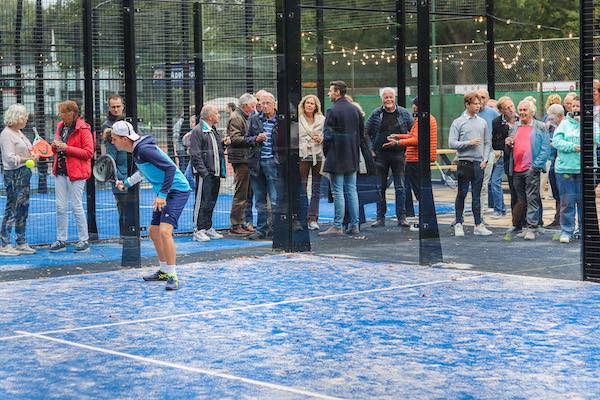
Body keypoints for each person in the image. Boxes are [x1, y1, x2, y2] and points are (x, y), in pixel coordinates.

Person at [112, 120, 191, 291]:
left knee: (164, 232)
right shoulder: (137, 150)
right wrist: (126, 182)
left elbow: (170, 168)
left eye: (114, 139)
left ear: (124, 139)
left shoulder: (144, 149)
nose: (112, 142)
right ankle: (163, 270)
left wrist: (162, 195)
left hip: (177, 191)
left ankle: (173, 275)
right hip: (165, 191)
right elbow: (144, 171)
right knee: (154, 232)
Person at [49, 100, 94, 253]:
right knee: (60, 206)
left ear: (72, 113)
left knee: (76, 205)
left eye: (64, 112)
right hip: (61, 171)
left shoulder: (83, 129)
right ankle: (61, 240)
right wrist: (54, 146)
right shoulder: (61, 126)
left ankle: (84, 240)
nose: (61, 115)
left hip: (77, 173)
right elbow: (56, 150)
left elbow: (89, 153)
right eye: (61, 112)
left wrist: (67, 148)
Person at [385, 97, 437, 226]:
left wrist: (397, 142)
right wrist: (399, 136)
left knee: (420, 192)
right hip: (417, 160)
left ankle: (425, 222)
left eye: (414, 105)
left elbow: (416, 140)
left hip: (417, 160)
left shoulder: (424, 120)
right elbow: (413, 136)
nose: (412, 107)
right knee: (420, 191)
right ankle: (425, 220)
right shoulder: (424, 119)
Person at [366, 87, 414, 227]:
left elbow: (413, 133)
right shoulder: (376, 114)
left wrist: (407, 149)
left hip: (399, 155)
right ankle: (380, 217)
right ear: (382, 99)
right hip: (380, 156)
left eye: (390, 97)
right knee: (380, 187)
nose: (388, 100)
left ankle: (402, 217)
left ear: (395, 98)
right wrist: (371, 150)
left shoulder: (404, 113)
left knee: (400, 187)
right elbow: (365, 132)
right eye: (386, 97)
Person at [319, 80, 363, 236]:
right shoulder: (355, 110)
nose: (329, 93)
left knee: (338, 192)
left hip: (336, 156)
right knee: (352, 190)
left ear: (337, 92)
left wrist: (327, 152)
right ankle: (354, 225)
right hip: (352, 155)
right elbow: (361, 135)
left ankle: (338, 225)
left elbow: (328, 136)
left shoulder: (332, 110)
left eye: (331, 91)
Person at [448, 92, 492, 237]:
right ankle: (459, 223)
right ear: (467, 104)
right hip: (464, 162)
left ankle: (478, 224)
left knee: (477, 195)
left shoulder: (482, 122)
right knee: (462, 193)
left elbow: (487, 142)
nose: (478, 106)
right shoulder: (458, 122)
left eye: (479, 103)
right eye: (475, 103)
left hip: (478, 163)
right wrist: (469, 143)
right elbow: (452, 143)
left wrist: (485, 159)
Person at [505, 99, 550, 241]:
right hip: (516, 169)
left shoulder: (541, 127)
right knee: (521, 199)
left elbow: (545, 149)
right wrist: (508, 143)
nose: (522, 113)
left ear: (532, 112)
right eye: (521, 110)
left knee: (532, 198)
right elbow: (510, 148)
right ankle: (523, 226)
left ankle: (532, 227)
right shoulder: (514, 127)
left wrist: (535, 166)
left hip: (531, 169)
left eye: (525, 110)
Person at [0, 104, 38, 255]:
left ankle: (21, 242)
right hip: (14, 175)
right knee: (12, 208)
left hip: (25, 174)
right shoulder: (6, 134)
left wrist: (34, 154)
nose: (26, 118)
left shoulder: (19, 133)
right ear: (16, 117)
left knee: (23, 208)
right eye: (24, 116)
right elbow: (9, 158)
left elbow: (28, 152)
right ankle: (4, 244)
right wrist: (26, 158)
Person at [189, 105, 230, 242]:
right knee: (202, 201)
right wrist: (204, 173)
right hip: (205, 174)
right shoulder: (198, 131)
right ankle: (198, 229)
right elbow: (195, 154)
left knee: (211, 201)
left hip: (215, 173)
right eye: (217, 113)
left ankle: (207, 227)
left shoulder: (213, 131)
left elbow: (216, 150)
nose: (219, 115)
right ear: (209, 116)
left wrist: (223, 144)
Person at [246, 91, 279, 240]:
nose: (264, 106)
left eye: (268, 103)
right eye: (262, 103)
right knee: (259, 199)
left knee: (275, 198)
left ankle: (277, 228)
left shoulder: (280, 119)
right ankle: (261, 229)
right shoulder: (254, 119)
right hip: (257, 163)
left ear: (274, 104)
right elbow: (246, 139)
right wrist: (256, 138)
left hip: (274, 162)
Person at [552, 96, 583, 243]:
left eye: (579, 106)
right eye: (574, 106)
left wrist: (583, 125)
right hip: (565, 169)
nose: (576, 109)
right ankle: (566, 231)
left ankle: (583, 230)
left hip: (583, 169)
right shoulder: (564, 123)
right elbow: (556, 141)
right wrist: (571, 147)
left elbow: (597, 138)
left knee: (584, 202)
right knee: (567, 201)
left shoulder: (591, 124)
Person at [227, 93, 257, 235]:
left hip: (245, 158)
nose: (254, 108)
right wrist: (253, 139)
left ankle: (241, 223)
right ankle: (236, 225)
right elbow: (235, 138)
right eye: (252, 106)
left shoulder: (243, 116)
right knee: (241, 193)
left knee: (245, 193)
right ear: (245, 106)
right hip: (241, 159)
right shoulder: (236, 118)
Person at [100, 94, 128, 237]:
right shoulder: (106, 127)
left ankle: (131, 234)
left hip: (132, 171)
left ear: (123, 106)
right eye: (113, 107)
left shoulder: (129, 122)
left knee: (131, 207)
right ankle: (125, 237)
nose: (116, 109)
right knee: (123, 208)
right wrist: (115, 177)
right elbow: (110, 158)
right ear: (109, 108)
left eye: (118, 106)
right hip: (119, 175)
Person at [298, 94, 325, 230]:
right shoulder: (298, 119)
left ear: (316, 106)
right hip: (303, 154)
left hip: (318, 155)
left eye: (312, 103)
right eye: (307, 103)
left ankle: (313, 218)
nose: (309, 105)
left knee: (316, 187)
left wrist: (321, 138)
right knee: (302, 187)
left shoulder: (322, 119)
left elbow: (326, 133)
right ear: (303, 105)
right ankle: (302, 217)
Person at [476, 89, 500, 215]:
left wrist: (497, 148)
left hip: (488, 152)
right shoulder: (469, 114)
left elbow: (501, 128)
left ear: (488, 98)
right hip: (472, 153)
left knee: (484, 183)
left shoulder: (492, 113)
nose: (481, 99)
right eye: (479, 97)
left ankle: (482, 210)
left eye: (483, 97)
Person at [544, 103, 566, 229]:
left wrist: (555, 144)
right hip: (554, 161)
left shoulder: (563, 127)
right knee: (557, 193)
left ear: (559, 116)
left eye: (552, 118)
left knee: (561, 193)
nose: (550, 121)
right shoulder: (556, 127)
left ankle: (560, 219)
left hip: (560, 163)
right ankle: (558, 218)